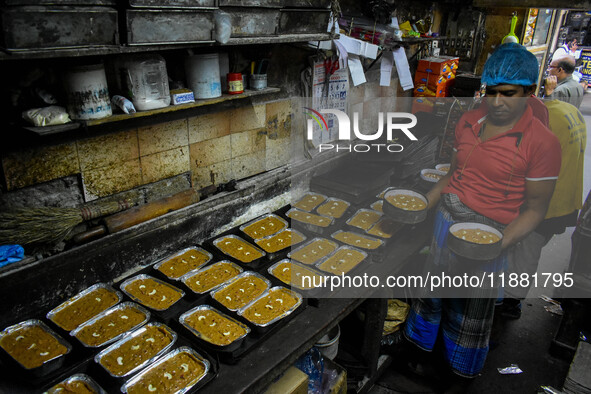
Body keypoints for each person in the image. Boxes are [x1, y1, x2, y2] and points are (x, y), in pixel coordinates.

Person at [403, 43, 562, 392]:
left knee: (468, 310)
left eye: (509, 94)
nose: (497, 102)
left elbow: (535, 209)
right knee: (432, 295)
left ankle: (457, 373)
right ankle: (419, 356)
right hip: (446, 224)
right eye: (491, 92)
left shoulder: (542, 143)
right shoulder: (470, 121)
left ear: (530, 93)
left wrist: (495, 245)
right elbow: (451, 176)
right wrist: (422, 205)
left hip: (491, 233)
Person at [499, 99, 587, 318]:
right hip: (567, 197)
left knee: (526, 251)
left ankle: (510, 302)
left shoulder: (539, 121)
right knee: (522, 248)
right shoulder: (566, 110)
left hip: (549, 202)